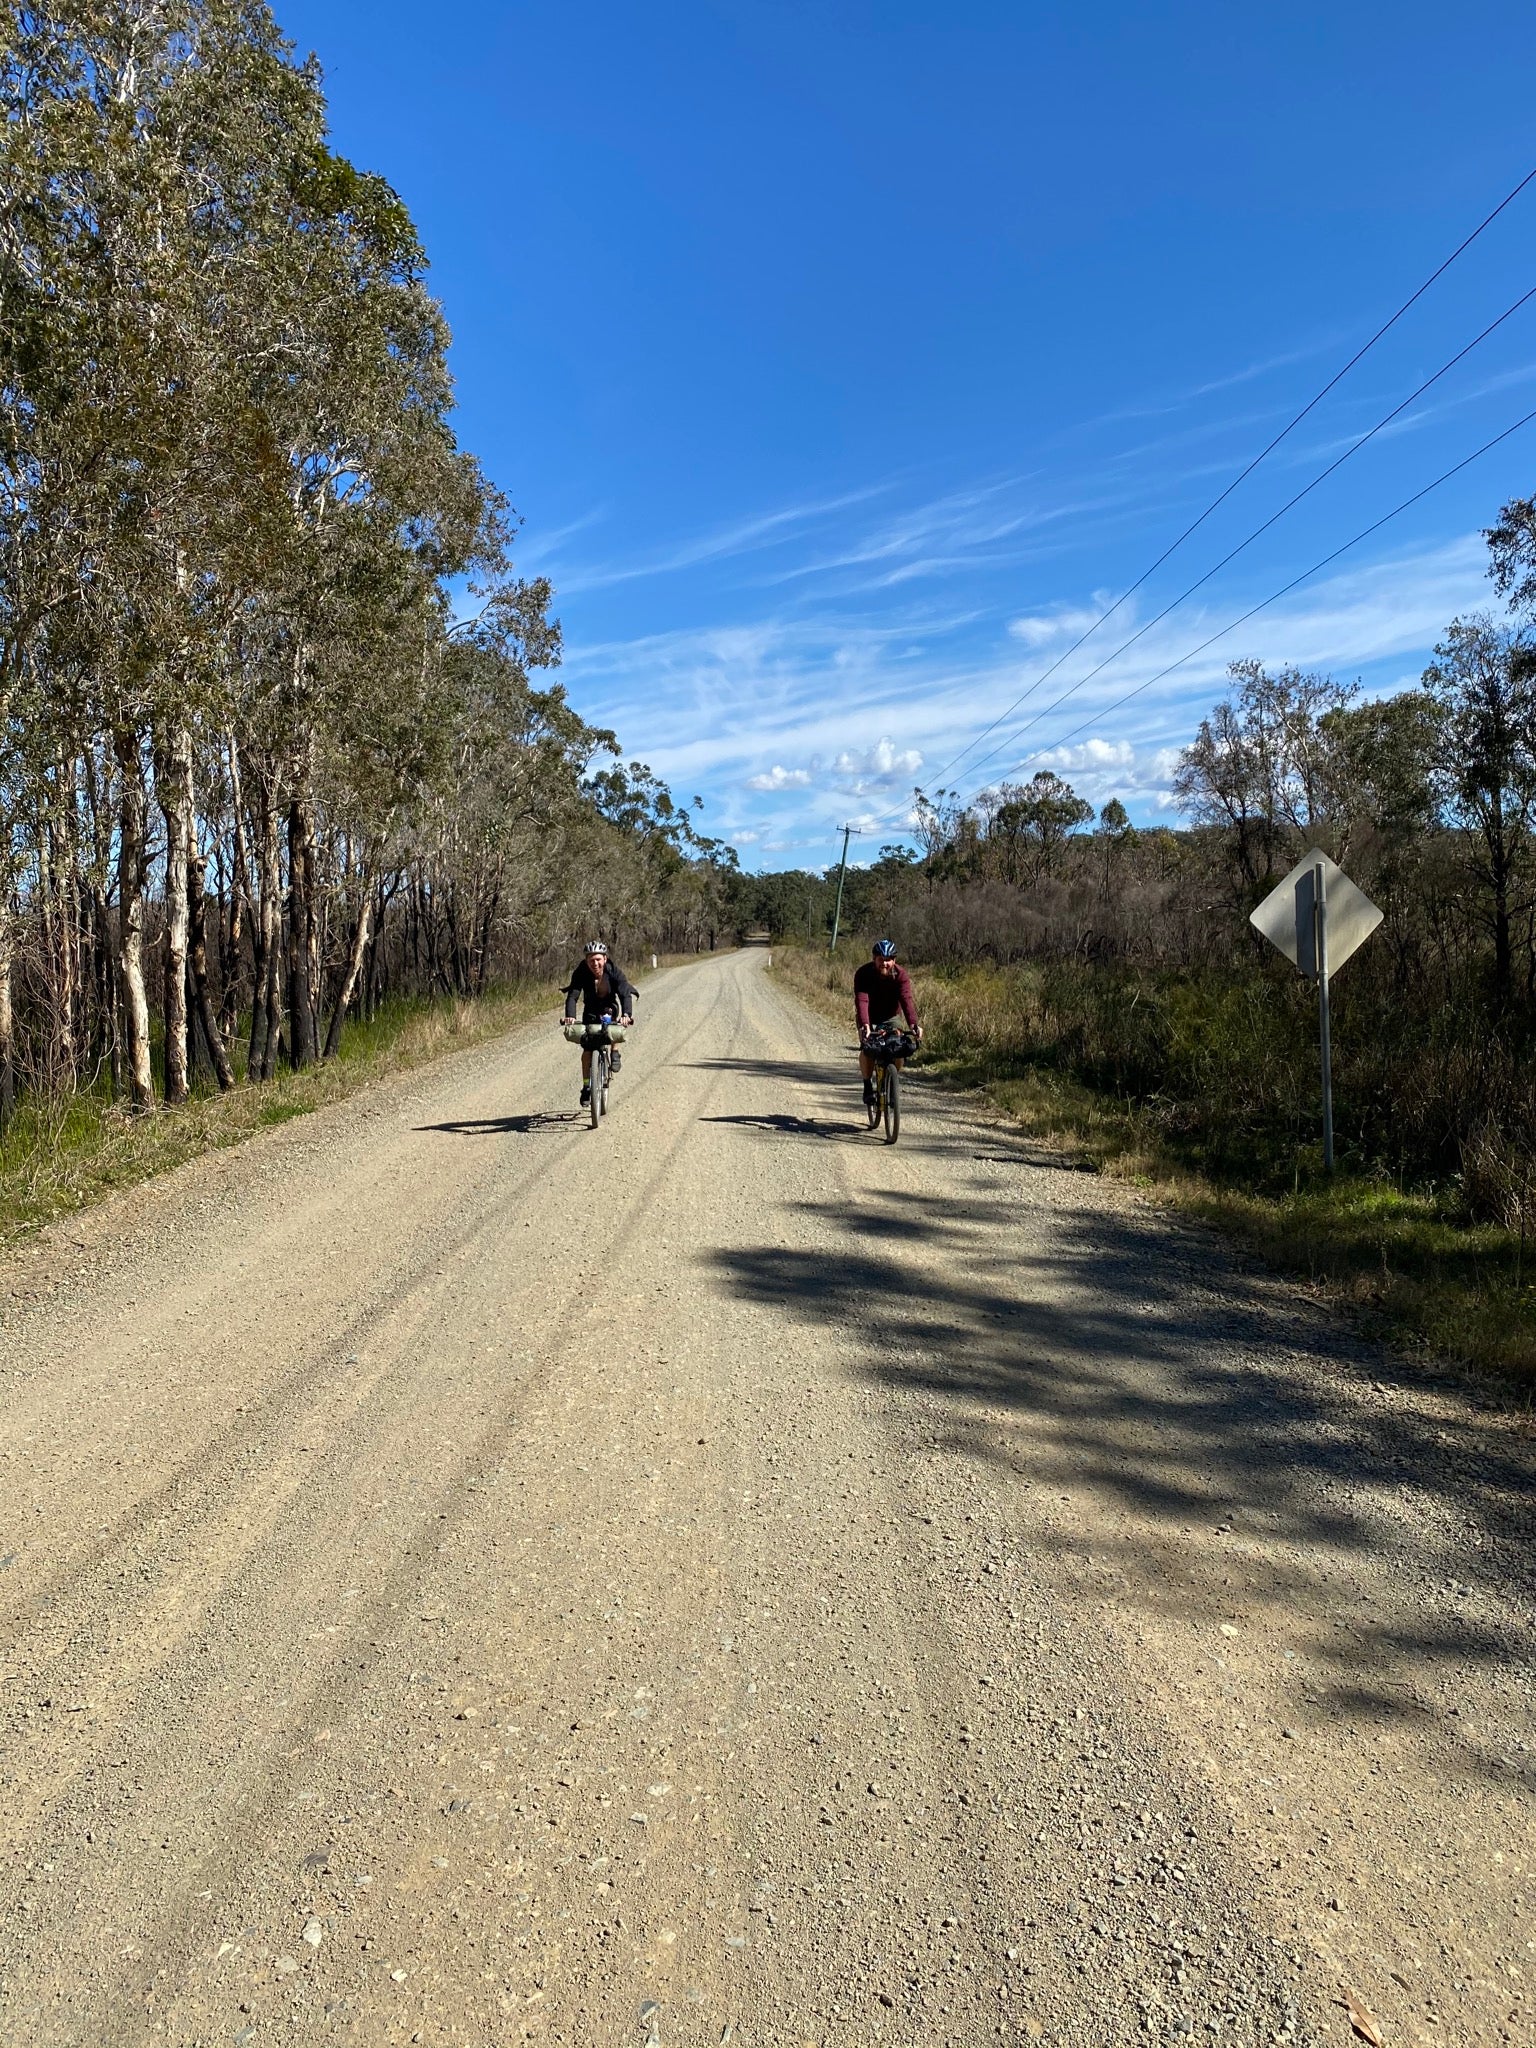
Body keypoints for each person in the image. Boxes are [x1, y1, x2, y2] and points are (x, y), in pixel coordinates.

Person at [562, 940, 637, 1107]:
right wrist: (570, 1016)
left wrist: (626, 1014)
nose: (595, 963)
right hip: (590, 1008)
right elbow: (573, 995)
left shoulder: (613, 971)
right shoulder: (581, 972)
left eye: (598, 959)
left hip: (609, 1006)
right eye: (591, 960)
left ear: (605, 958)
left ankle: (615, 1051)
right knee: (587, 1049)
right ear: (586, 961)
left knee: (613, 1028)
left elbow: (625, 993)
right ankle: (586, 1086)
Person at [853, 938, 921, 1108]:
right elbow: (862, 1001)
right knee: (868, 1048)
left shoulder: (901, 975)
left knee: (897, 1049)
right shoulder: (863, 974)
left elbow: (906, 1000)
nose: (885, 963)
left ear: (894, 960)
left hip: (890, 1016)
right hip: (868, 1014)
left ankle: (891, 1080)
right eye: (881, 960)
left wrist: (913, 1025)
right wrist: (865, 1026)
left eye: (888, 960)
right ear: (874, 959)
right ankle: (868, 1085)